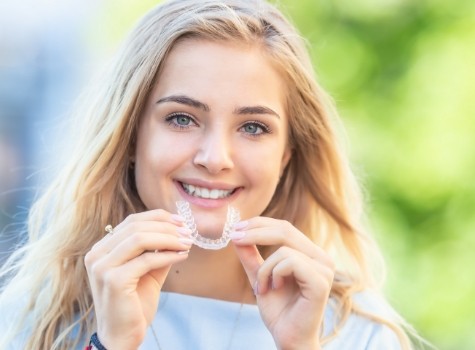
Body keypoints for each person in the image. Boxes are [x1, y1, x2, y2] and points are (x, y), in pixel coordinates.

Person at [0, 0, 427, 349]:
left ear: (286, 156)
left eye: (253, 127)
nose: (215, 157)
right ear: (130, 137)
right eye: (182, 118)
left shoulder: (359, 333)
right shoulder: (32, 318)